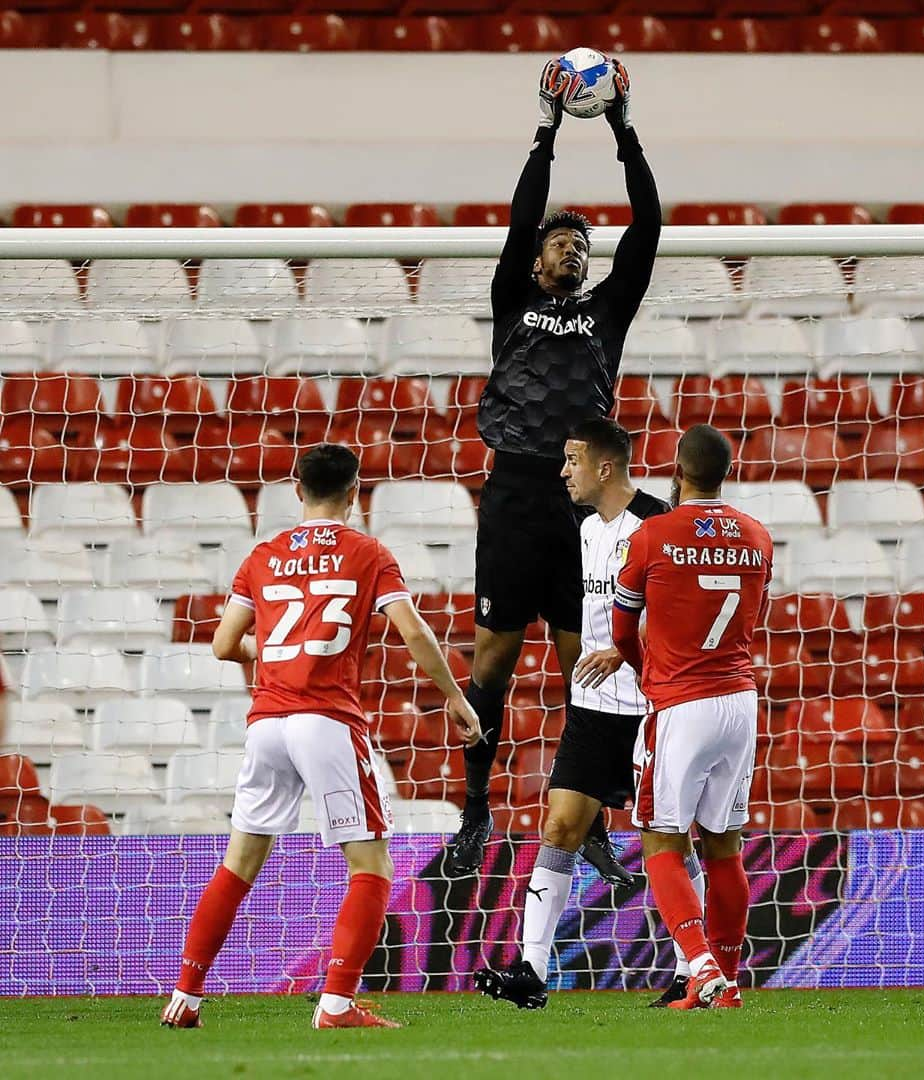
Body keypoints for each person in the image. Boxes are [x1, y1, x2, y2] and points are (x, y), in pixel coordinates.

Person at [160, 443, 481, 1031]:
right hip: (326, 721)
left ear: (295, 487)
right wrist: (457, 697)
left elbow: (224, 644)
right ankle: (336, 1003)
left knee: (238, 865)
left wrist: (276, 652)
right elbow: (411, 631)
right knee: (372, 865)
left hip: (266, 724)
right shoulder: (367, 552)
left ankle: (185, 994)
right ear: (356, 492)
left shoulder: (263, 554)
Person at [449, 55, 662, 878]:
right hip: (513, 495)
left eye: (581, 244)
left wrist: (619, 126)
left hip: (584, 505)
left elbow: (647, 224)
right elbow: (522, 214)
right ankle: (476, 812)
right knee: (492, 664)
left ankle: (595, 821)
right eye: (560, 242)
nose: (571, 250)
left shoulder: (609, 309)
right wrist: (544, 130)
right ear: (536, 259)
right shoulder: (514, 299)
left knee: (588, 666)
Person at [476, 418, 694, 1009]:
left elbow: (682, 611)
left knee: (669, 840)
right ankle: (531, 970)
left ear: (604, 467)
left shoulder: (657, 524)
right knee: (559, 828)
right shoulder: (580, 528)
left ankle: (690, 969)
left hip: (652, 705)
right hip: (594, 706)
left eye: (572, 459)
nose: (563, 471)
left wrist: (627, 645)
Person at [612, 426, 774, 1010]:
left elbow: (621, 630)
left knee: (660, 837)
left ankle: (699, 965)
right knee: (724, 843)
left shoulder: (652, 535)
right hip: (739, 699)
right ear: (724, 472)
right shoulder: (757, 536)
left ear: (676, 470)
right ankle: (727, 983)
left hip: (681, 701)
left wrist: (645, 670)